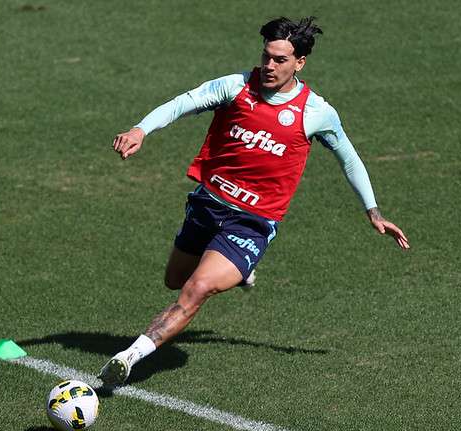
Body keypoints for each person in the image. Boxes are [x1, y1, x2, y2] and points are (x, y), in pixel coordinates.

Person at [100, 16, 409, 385]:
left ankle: (129, 356)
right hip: (207, 204)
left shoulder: (316, 113)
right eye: (267, 56)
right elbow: (184, 102)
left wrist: (372, 211)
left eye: (280, 60)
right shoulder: (235, 87)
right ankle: (239, 270)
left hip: (252, 221)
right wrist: (141, 129)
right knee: (174, 279)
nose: (269, 66)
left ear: (300, 63)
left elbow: (349, 158)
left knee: (196, 288)